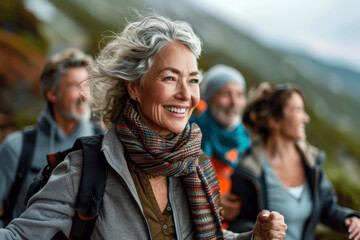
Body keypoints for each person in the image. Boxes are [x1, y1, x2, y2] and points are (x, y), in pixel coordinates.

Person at [0, 15, 287, 239]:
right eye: (170, 78)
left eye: (193, 80)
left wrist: (253, 237)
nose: (187, 95)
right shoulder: (84, 170)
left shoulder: (195, 164)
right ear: (134, 87)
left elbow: (207, 235)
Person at [228, 83, 360, 239]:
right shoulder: (248, 169)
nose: (306, 118)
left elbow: (327, 208)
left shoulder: (311, 161)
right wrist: (260, 231)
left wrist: (350, 218)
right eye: (298, 109)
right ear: (274, 121)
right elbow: (237, 223)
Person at [0, 48, 102, 227]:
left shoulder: (106, 148)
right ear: (52, 93)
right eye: (74, 86)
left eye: (87, 86)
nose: (84, 95)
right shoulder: (16, 147)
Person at [191, 64, 250, 223]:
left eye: (239, 94)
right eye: (225, 94)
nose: (234, 102)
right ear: (209, 98)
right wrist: (211, 204)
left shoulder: (246, 144)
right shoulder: (188, 133)